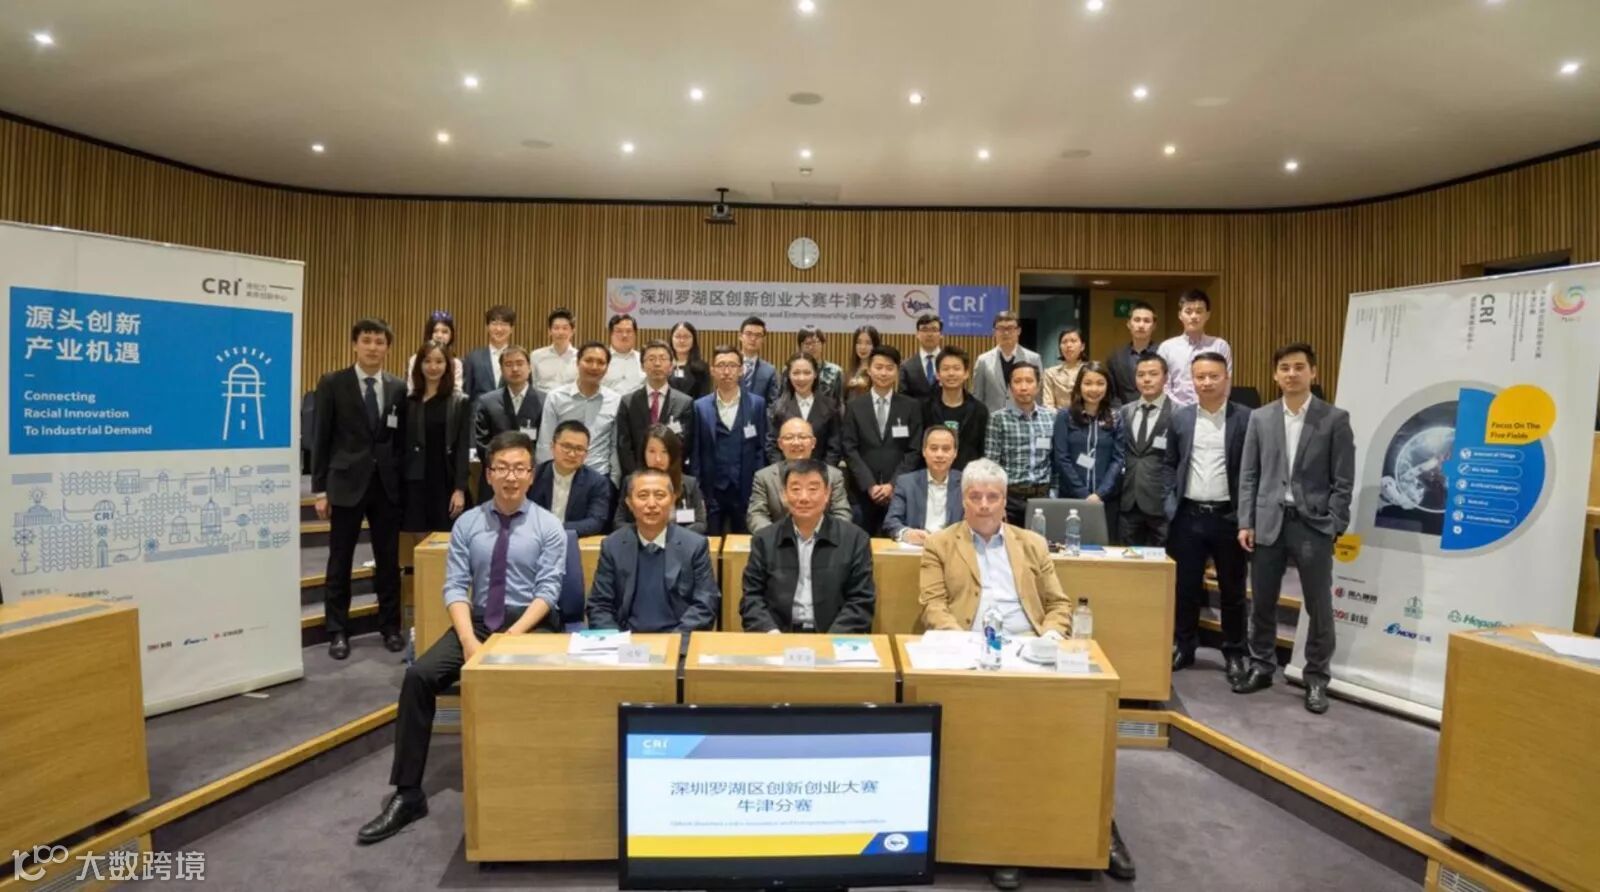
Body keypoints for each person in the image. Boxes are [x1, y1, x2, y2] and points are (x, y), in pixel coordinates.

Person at [917, 458, 1137, 886]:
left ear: (1005, 501)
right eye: (975, 497)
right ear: (963, 500)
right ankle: (1004, 838)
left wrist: (1051, 638)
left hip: (1030, 649)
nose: (984, 505)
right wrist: (968, 643)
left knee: (1085, 722)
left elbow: (1058, 604)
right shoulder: (940, 544)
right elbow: (932, 605)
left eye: (992, 497)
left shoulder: (1032, 543)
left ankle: (1098, 825)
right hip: (970, 652)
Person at [355, 431, 564, 845]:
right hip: (479, 622)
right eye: (502, 468)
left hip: (529, 623)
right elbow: (454, 587)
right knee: (418, 677)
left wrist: (509, 639)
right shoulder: (468, 523)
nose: (511, 477)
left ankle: (536, 786)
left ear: (531, 474)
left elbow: (548, 591)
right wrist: (470, 642)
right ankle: (408, 793)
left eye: (519, 469)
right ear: (488, 474)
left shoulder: (548, 525)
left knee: (538, 684)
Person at [1234, 343, 1355, 714]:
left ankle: (1316, 677)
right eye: (1284, 368)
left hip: (1312, 525)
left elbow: (1343, 480)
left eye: (1299, 367)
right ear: (1275, 375)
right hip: (1268, 522)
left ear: (1313, 372)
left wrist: (1334, 522)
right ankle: (1261, 666)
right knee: (1262, 601)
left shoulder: (1334, 419)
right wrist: (1246, 521)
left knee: (1319, 605)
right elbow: (1249, 474)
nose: (1291, 374)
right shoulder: (1261, 418)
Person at [311, 318, 406, 661]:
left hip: (385, 487)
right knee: (340, 559)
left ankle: (390, 627)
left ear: (387, 348)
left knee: (388, 560)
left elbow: (399, 439)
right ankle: (338, 630)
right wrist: (320, 490)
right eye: (366, 340)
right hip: (345, 484)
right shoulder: (332, 383)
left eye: (379, 342)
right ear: (354, 344)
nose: (372, 347)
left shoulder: (398, 387)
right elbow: (320, 437)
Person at [1163, 351, 1251, 684]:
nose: (1207, 382)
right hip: (1188, 515)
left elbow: (1253, 471)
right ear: (1192, 380)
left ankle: (1235, 652)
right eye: (1200, 376)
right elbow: (1169, 463)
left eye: (1214, 376)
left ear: (1227, 377)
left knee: (1232, 589)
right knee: (1185, 587)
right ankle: (1184, 645)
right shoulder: (1181, 418)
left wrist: (1247, 517)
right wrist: (1170, 504)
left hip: (1229, 517)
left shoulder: (1246, 418)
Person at [740, 459, 876, 634]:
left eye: (813, 489)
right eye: (796, 489)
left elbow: (861, 601)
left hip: (833, 635)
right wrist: (771, 632)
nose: (804, 497)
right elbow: (751, 598)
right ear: (784, 495)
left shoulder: (855, 539)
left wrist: (830, 639)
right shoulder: (764, 540)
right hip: (778, 635)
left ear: (827, 494)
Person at [586, 468, 720, 634]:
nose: (651, 504)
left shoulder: (694, 545)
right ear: (629, 503)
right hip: (626, 642)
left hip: (678, 640)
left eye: (659, 495)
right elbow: (599, 605)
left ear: (672, 500)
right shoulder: (613, 545)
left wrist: (674, 641)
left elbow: (705, 603)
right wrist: (619, 642)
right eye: (643, 496)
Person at [842, 344, 924, 535]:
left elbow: (914, 449)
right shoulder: (854, 406)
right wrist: (870, 485)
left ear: (897, 371)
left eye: (889, 368)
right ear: (869, 370)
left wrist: (892, 484)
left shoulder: (911, 406)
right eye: (878, 367)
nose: (883, 373)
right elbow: (849, 448)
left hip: (899, 491)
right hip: (862, 492)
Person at [690, 344, 768, 535]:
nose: (726, 371)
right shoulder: (699, 407)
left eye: (732, 365)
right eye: (721, 365)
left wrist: (758, 488)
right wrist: (697, 491)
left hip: (746, 489)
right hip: (712, 490)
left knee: (744, 543)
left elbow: (760, 449)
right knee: (710, 543)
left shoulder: (757, 404)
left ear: (741, 370)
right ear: (712, 370)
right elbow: (696, 453)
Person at [402, 341, 473, 534]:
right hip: (415, 481)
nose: (433, 367)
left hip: (445, 480)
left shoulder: (459, 402)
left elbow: (462, 449)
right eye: (427, 361)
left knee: (446, 538)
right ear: (419, 365)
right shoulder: (408, 401)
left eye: (439, 361)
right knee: (416, 536)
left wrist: (459, 489)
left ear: (447, 366)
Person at [1052, 361, 1125, 538]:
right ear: (1079, 386)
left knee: (1105, 549)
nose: (1094, 389)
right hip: (1071, 497)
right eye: (1088, 383)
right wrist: (1083, 494)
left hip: (1106, 500)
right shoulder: (1065, 416)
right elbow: (1061, 458)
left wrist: (1100, 494)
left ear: (1108, 386)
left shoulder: (1116, 417)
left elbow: (1118, 458)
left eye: (1100, 383)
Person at [535, 341, 622, 482]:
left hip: (599, 475)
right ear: (577, 362)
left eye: (601, 362)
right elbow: (546, 442)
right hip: (561, 474)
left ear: (607, 368)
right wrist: (546, 478)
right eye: (588, 360)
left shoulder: (615, 400)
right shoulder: (556, 397)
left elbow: (614, 446)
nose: (594, 367)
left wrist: (614, 480)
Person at [748, 417, 853, 533]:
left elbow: (842, 513)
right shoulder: (764, 477)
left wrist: (821, 537)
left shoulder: (833, 475)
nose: (796, 443)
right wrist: (773, 537)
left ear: (813, 443)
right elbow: (757, 514)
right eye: (789, 438)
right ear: (780, 444)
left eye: (802, 437)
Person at [983, 363, 1055, 526]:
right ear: (1010, 387)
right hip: (1011, 498)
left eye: (1029, 381)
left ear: (1038, 385)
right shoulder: (998, 419)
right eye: (1017, 381)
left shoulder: (1051, 418)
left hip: (1043, 496)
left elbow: (1055, 460)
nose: (1023, 387)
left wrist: (1054, 493)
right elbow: (991, 465)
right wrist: (997, 501)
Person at [472, 345, 543, 503]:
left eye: (520, 363)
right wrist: (502, 467)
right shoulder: (487, 402)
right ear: (502, 370)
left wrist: (525, 468)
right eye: (509, 364)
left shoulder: (544, 401)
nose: (515, 369)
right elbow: (482, 442)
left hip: (531, 478)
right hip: (496, 478)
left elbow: (545, 443)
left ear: (529, 367)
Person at [616, 339, 694, 480]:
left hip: (671, 478)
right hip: (637, 479)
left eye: (663, 359)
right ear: (642, 366)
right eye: (651, 359)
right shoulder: (628, 402)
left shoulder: (684, 403)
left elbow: (685, 446)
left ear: (671, 366)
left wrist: (668, 473)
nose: (657, 364)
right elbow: (624, 447)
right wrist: (638, 477)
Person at [1117, 354, 1172, 546]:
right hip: (1128, 501)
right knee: (1127, 560)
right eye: (1141, 375)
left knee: (1162, 562)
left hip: (1161, 504)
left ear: (1165, 377)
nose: (1146, 379)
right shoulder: (1125, 412)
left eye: (1153, 374)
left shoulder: (1179, 413)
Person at [614, 425, 707, 535]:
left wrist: (671, 536)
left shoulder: (689, 484)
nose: (658, 459)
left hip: (680, 542)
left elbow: (701, 523)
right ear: (643, 453)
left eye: (664, 451)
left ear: (672, 454)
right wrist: (647, 533)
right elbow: (618, 522)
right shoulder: (631, 482)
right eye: (652, 451)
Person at [530, 420, 614, 536]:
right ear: (552, 446)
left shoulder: (597, 482)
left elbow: (595, 521)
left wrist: (553, 529)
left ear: (586, 454)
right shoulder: (533, 475)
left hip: (574, 539)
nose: (572, 454)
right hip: (535, 536)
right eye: (566, 446)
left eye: (579, 449)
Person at [885, 427, 964, 545]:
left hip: (953, 549)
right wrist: (907, 534)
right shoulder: (906, 483)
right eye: (934, 448)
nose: (939, 454)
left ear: (955, 453)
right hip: (917, 549)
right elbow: (891, 521)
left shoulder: (966, 484)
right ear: (924, 451)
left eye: (946, 449)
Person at [1157, 289, 1233, 407]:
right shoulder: (1166, 348)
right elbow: (1163, 385)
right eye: (1188, 312)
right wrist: (1181, 410)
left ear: (1207, 315)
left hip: (1211, 410)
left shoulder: (1220, 346)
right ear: (1180, 315)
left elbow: (1225, 383)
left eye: (1199, 311)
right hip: (1174, 412)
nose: (1193, 316)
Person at [767, 353, 843, 466]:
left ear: (815, 374)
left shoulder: (831, 407)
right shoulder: (778, 408)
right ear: (789, 375)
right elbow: (773, 446)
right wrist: (785, 472)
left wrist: (823, 473)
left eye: (807, 373)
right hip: (787, 472)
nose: (801, 378)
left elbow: (834, 447)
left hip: (820, 472)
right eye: (796, 373)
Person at [923, 346, 990, 470]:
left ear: (966, 373)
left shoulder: (980, 410)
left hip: (969, 476)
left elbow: (982, 450)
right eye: (945, 369)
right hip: (933, 475)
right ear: (938, 374)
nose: (951, 373)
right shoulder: (924, 408)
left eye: (956, 368)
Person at [972, 310, 1042, 413]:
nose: (1006, 333)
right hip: (991, 419)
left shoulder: (1033, 358)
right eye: (1001, 328)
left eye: (1010, 328)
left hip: (1024, 417)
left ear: (1018, 331)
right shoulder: (983, 360)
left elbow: (1038, 394)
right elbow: (977, 396)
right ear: (994, 332)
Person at [1104, 301, 1159, 407]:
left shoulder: (1163, 353)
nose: (1141, 325)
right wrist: (1121, 412)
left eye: (1146, 321)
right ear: (1129, 324)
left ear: (1154, 326)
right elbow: (1112, 393)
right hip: (1124, 412)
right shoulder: (1115, 357)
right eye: (1137, 320)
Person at [461, 305, 515, 401]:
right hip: (480, 410)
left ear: (511, 329)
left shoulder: (518, 358)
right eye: (494, 324)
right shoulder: (473, 358)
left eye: (504, 324)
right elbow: (466, 393)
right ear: (487, 327)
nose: (499, 329)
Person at [404, 311, 464, 395]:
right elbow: (411, 389)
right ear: (429, 334)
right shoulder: (415, 359)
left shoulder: (456, 363)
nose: (439, 336)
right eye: (435, 331)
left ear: (451, 335)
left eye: (444, 332)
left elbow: (457, 392)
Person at [529, 306, 579, 391]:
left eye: (565, 328)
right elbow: (533, 385)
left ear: (572, 331)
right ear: (549, 331)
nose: (560, 332)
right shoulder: (536, 356)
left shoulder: (580, 357)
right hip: (543, 399)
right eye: (556, 328)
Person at [899, 312, 944, 401]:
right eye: (924, 329)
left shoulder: (950, 363)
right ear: (917, 334)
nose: (929, 334)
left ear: (941, 334)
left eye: (934, 329)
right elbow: (903, 399)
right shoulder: (907, 366)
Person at [1039, 327, 1087, 410]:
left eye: (1073, 341)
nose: (1068, 345)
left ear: (1082, 346)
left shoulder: (1089, 371)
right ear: (1060, 347)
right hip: (1057, 416)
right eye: (1064, 342)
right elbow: (1048, 404)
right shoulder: (1050, 373)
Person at [738, 315, 781, 405]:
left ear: (763, 340)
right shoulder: (730, 365)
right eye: (749, 334)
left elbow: (773, 404)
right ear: (740, 336)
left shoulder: (769, 371)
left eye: (758, 335)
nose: (753, 339)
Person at [796, 325, 845, 404]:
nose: (811, 347)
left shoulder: (835, 372)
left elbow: (840, 404)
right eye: (807, 343)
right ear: (801, 346)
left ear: (822, 344)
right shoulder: (791, 371)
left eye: (815, 342)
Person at [602, 312, 645, 395]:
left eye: (629, 331)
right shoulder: (601, 359)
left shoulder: (643, 359)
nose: (624, 335)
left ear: (635, 334)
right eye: (619, 331)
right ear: (611, 334)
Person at [667, 321, 711, 399]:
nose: (682, 341)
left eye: (686, 337)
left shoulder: (702, 368)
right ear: (671, 339)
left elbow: (704, 397)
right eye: (678, 336)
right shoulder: (664, 365)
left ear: (693, 340)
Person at [842, 325, 881, 403]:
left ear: (875, 345)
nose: (863, 347)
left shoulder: (879, 371)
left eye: (868, 343)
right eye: (859, 343)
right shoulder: (851, 370)